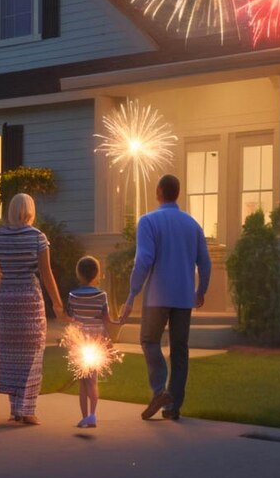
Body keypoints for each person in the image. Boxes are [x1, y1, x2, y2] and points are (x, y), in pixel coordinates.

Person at [120, 174, 211, 421]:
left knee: (150, 341)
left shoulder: (149, 221)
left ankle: (160, 391)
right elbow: (205, 262)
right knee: (180, 350)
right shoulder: (193, 225)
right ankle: (173, 407)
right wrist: (200, 291)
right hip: (184, 297)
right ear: (177, 193)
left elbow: (144, 259)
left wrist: (132, 292)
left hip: (157, 296)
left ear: (159, 191)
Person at [0, 193, 68, 425]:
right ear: (31, 210)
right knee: (32, 354)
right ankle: (28, 409)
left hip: (6, 299)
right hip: (29, 299)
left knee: (11, 355)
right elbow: (46, 272)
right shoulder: (37, 237)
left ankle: (15, 409)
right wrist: (57, 303)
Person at [67, 255, 118, 429]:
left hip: (80, 343)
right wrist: (109, 340)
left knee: (82, 381)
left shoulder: (72, 295)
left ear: (78, 274)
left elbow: (72, 320)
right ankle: (93, 415)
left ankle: (84, 417)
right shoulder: (102, 295)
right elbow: (106, 319)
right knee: (93, 381)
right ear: (97, 274)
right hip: (96, 343)